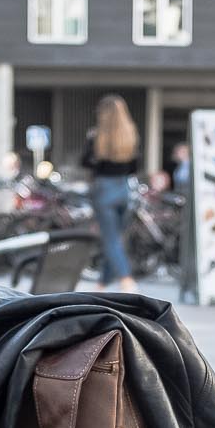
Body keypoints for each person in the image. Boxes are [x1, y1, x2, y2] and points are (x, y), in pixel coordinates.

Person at [81, 94, 142, 291]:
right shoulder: (130, 135)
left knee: (110, 238)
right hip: (124, 189)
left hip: (103, 189)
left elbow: (84, 162)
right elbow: (135, 166)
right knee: (115, 237)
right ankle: (102, 283)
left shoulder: (96, 136)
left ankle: (126, 279)